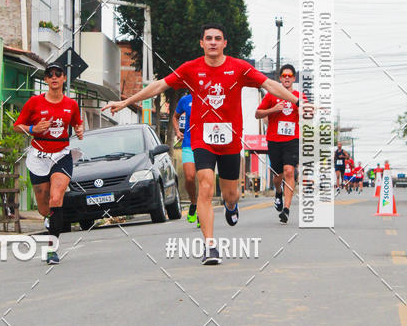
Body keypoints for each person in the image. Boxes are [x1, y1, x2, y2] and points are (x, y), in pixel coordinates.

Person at [103, 23, 306, 266]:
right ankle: (210, 246)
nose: (212, 42)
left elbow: (269, 84)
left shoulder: (239, 68)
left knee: (232, 194)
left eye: (217, 38)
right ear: (201, 43)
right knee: (206, 185)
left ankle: (231, 206)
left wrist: (296, 102)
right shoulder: (191, 69)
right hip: (202, 138)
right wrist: (126, 103)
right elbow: (159, 85)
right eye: (208, 38)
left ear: (224, 43)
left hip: (230, 139)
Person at [14, 62, 83, 264]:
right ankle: (49, 218)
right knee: (45, 207)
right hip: (39, 155)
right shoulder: (34, 102)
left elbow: (77, 124)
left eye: (58, 73)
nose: (54, 77)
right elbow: (17, 126)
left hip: (62, 153)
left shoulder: (71, 104)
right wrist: (33, 128)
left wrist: (79, 131)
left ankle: (52, 249)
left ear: (63, 79)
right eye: (49, 74)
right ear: (45, 80)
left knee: (56, 198)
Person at [255, 63, 307, 224]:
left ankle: (286, 208)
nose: (286, 78)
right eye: (283, 75)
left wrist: (304, 111)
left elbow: (308, 115)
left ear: (294, 78)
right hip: (274, 139)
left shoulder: (299, 97)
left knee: (289, 171)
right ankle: (278, 192)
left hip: (292, 139)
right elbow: (258, 114)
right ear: (280, 78)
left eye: (289, 76)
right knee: (278, 175)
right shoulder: (271, 95)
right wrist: (274, 109)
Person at [172, 91, 198, 225]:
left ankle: (203, 212)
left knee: (206, 179)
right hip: (188, 144)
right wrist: (177, 131)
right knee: (189, 177)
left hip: (207, 145)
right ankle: (194, 203)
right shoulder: (185, 100)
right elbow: (175, 117)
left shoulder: (210, 98)